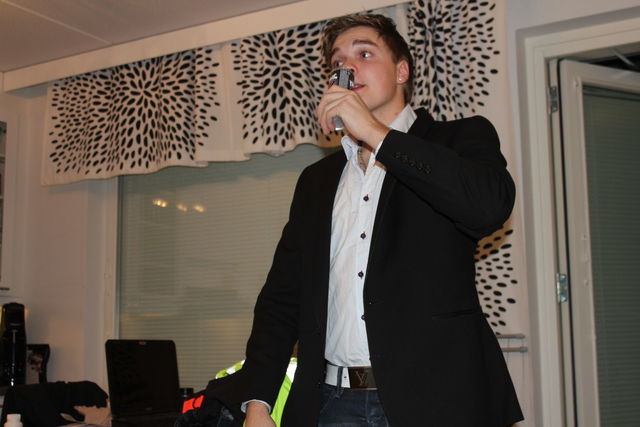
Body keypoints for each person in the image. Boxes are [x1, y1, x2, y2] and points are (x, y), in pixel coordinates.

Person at [231, 13, 523, 426]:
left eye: (365, 54)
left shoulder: (458, 139)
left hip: (437, 401)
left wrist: (374, 132)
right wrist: (257, 401)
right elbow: (282, 298)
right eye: (338, 62)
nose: (347, 68)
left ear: (402, 71)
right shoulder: (316, 180)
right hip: (331, 405)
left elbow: (488, 207)